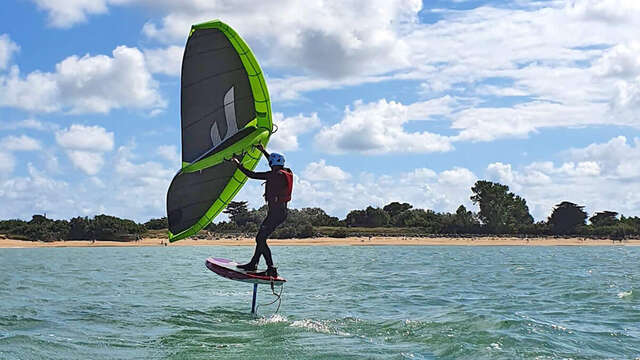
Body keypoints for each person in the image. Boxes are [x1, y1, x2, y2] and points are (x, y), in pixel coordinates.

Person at [227, 144, 293, 277]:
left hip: (276, 213)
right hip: (280, 212)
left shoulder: (276, 175)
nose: (269, 164)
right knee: (261, 238)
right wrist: (263, 151)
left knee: (260, 239)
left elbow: (252, 175)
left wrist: (237, 164)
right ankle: (253, 264)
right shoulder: (286, 171)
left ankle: (271, 269)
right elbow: (272, 162)